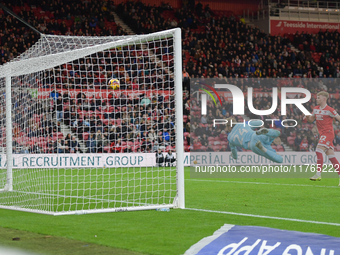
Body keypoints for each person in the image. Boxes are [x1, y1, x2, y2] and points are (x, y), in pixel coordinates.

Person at [304, 91, 340, 184]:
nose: (317, 99)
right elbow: (311, 119)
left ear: (324, 98)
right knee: (331, 157)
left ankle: (318, 174)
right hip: (322, 134)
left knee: (318, 150)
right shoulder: (315, 109)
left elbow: (339, 118)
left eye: (319, 98)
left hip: (328, 133)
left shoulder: (330, 110)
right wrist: (307, 116)